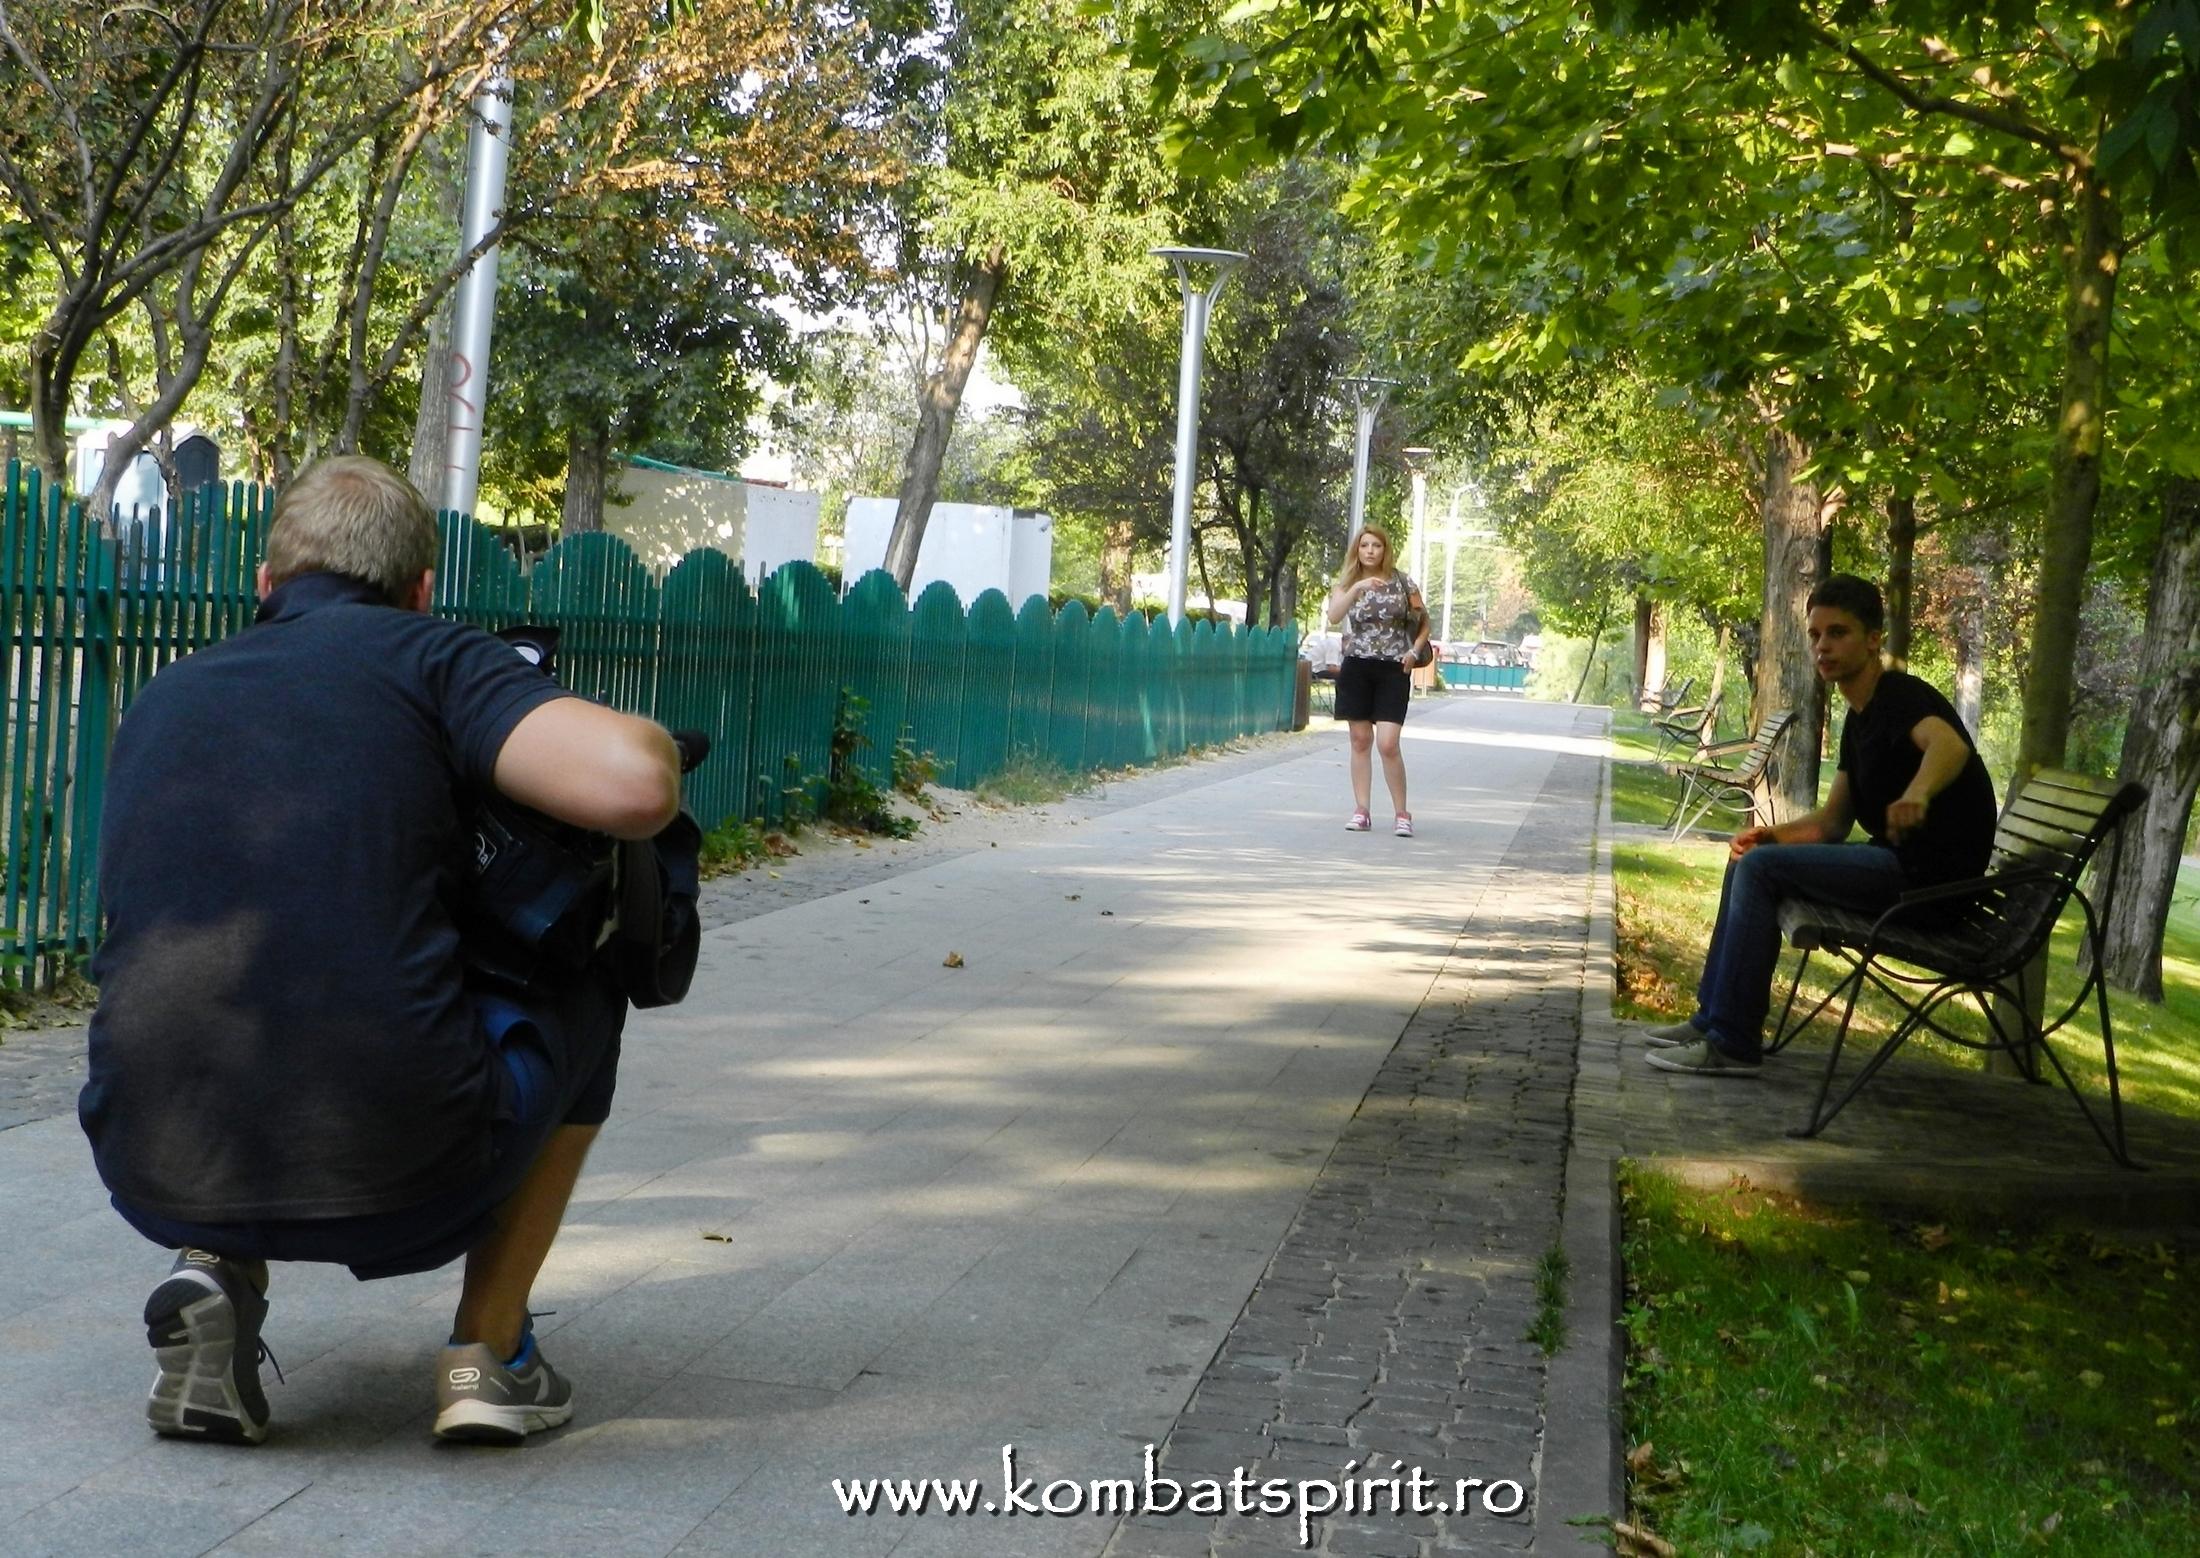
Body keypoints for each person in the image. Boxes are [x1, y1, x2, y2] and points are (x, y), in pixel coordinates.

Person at [78, 455, 684, 1445]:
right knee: (590, 970)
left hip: (150, 1161)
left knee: (248, 965)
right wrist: (649, 732)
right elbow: (634, 789)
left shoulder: (167, 693)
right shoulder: (433, 659)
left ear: (266, 583)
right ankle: (490, 1356)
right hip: (406, 1178)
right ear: (420, 591)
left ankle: (216, 1271)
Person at [1644, 573, 1998, 1077]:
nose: (1822, 646)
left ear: (1873, 639)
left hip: (1931, 887)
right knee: (1750, 857)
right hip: (1898, 870)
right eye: (1815, 635)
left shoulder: (1900, 697)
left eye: (1838, 633)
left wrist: (1918, 793)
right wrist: (1770, 835)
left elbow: (1950, 746)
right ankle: (1711, 1020)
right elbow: (1833, 822)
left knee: (1762, 870)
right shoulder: (1860, 717)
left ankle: (1733, 1042)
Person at [1327, 525, 1430, 837]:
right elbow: (1334, 616)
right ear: (1357, 550)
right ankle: (1362, 810)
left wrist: (1414, 651)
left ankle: (1402, 813)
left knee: (1388, 743)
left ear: (1385, 550)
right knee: (1360, 740)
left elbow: (1424, 621)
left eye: (1376, 545)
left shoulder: (1402, 582)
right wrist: (1357, 588)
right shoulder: (1347, 583)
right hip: (1357, 666)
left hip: (1393, 668)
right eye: (1364, 545)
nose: (1370, 551)